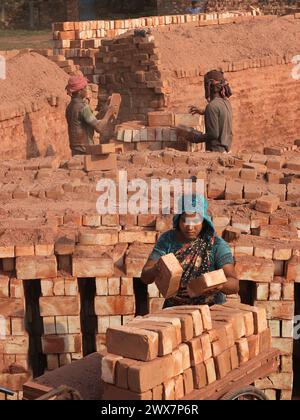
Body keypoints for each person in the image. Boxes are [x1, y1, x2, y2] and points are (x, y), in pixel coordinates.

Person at [141, 194, 239, 308]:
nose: (190, 227)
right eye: (185, 221)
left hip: (210, 310)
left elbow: (235, 285)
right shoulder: (167, 240)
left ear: (204, 220)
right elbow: (145, 277)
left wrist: (217, 284)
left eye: (195, 221)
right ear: (178, 220)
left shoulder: (216, 244)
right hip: (174, 309)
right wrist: (156, 269)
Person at [177, 70, 233, 153]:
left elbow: (213, 134)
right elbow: (220, 114)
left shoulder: (212, 106)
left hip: (216, 151)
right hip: (226, 150)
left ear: (209, 85)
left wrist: (192, 137)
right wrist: (204, 112)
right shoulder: (226, 102)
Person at [65, 75, 119, 156]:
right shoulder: (83, 107)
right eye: (85, 88)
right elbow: (99, 128)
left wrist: (104, 109)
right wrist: (109, 113)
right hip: (86, 149)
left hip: (75, 149)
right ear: (80, 91)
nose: (86, 91)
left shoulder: (70, 106)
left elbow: (90, 121)